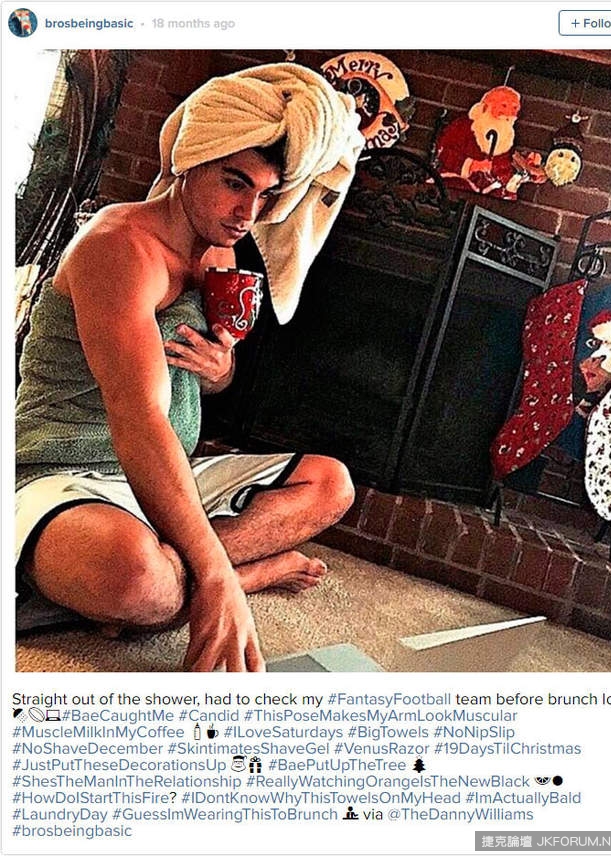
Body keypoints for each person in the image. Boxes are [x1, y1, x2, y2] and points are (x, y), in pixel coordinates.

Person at [15, 62, 366, 672]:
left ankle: (175, 582)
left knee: (331, 483)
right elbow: (139, 416)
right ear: (190, 161)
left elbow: (205, 382)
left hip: (170, 472)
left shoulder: (220, 254)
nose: (247, 211)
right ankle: (239, 577)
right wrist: (220, 577)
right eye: (235, 183)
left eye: (266, 195)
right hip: (62, 472)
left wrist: (218, 369)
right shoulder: (118, 247)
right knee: (134, 576)